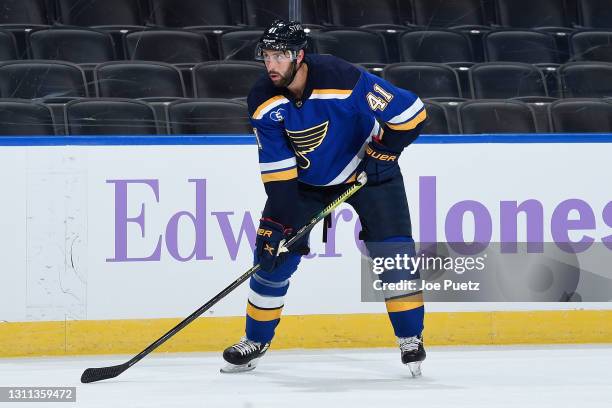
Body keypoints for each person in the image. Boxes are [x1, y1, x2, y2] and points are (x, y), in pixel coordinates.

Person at [221, 20, 427, 377]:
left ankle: (411, 338)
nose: (272, 65)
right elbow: (279, 174)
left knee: (394, 253)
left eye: (280, 56)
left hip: (371, 174)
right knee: (272, 259)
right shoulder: (262, 100)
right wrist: (277, 224)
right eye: (267, 56)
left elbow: (412, 114)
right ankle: (255, 339)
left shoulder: (341, 76)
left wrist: (386, 152)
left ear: (300, 56)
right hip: (306, 184)